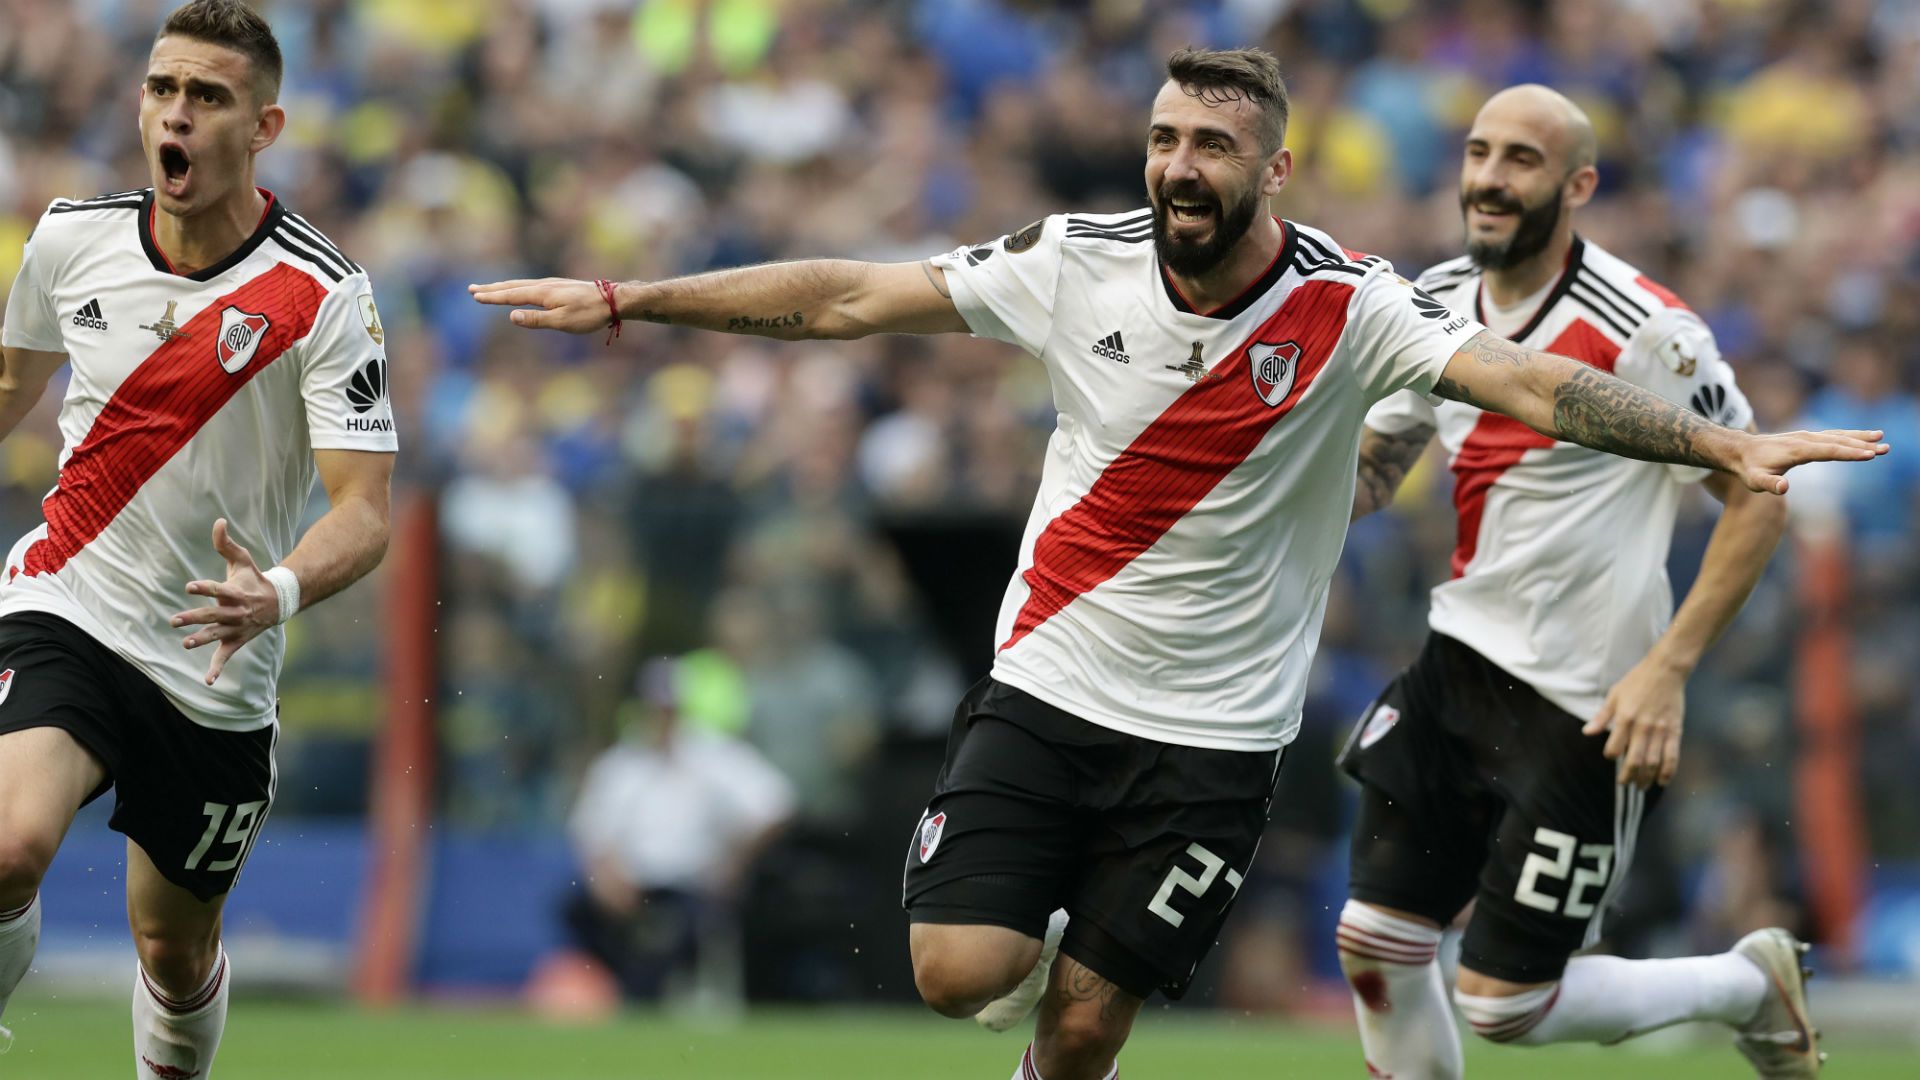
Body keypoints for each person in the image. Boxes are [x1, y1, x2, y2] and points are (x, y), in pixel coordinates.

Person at [471, 48, 1882, 1080]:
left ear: (1271, 169)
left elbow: (1526, 387)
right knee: (965, 972)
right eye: (1162, 139)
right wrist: (630, 300)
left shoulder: (1355, 305)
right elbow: (850, 294)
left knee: (1095, 1024)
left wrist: (1715, 455)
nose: (1177, 168)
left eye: (1211, 146)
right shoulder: (1071, 259)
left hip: (1216, 737)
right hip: (1051, 683)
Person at [1337, 85, 1822, 1079]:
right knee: (1374, 945)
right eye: (1478, 153)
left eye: (1521, 160)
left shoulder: (1648, 331)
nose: (1489, 179)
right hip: (1456, 661)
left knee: (1506, 1004)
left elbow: (1758, 491)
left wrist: (1668, 670)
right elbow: (1377, 467)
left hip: (1584, 697)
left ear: (1580, 183)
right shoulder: (1431, 302)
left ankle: (1746, 986)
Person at [0, 2, 397, 1074]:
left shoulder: (321, 295)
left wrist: (276, 590)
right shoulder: (72, 240)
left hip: (214, 661)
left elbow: (365, 512)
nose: (175, 116)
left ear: (263, 127)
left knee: (173, 952)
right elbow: (6, 391)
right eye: (161, 90)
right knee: (6, 848)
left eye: (206, 97)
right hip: (66, 598)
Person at [564, 657, 794, 1001]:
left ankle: (646, 995)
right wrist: (607, 878)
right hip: (634, 887)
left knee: (679, 929)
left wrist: (736, 860)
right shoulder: (621, 764)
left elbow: (776, 805)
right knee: (575, 909)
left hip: (694, 886)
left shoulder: (714, 756)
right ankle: (628, 988)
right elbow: (592, 832)